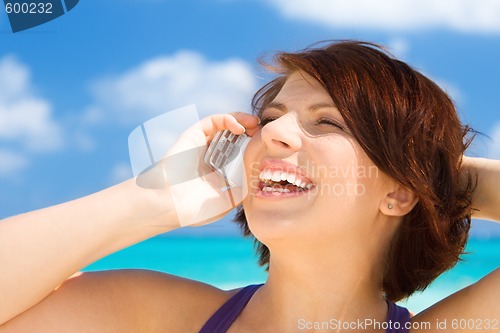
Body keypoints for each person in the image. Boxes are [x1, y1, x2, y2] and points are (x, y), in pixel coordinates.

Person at [0, 41, 499, 332]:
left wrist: (435, 178)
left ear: (399, 193)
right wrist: (155, 199)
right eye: (270, 118)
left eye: (328, 123)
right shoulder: (160, 318)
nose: (274, 134)